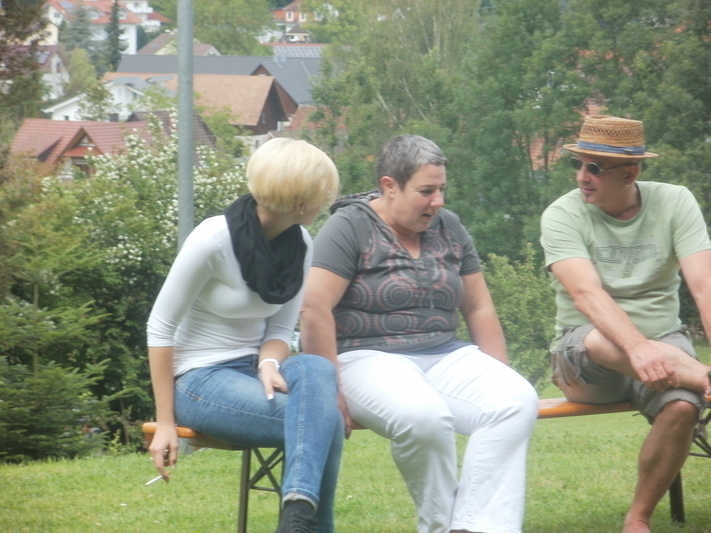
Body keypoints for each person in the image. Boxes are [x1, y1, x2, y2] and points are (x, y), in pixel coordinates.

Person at [300, 134, 539, 533]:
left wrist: (500, 372)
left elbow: (479, 306)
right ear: (389, 186)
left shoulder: (449, 226)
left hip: (445, 353)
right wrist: (330, 388)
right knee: (423, 417)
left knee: (516, 400)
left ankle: (476, 527)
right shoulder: (350, 226)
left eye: (442, 189)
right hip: (366, 356)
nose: (438, 201)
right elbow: (313, 307)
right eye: (427, 191)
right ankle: (441, 526)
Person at [146, 137, 343, 533]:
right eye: (323, 195)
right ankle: (306, 524)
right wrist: (165, 422)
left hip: (256, 370)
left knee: (317, 369)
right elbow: (160, 326)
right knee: (325, 420)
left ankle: (297, 515)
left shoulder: (301, 245)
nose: (327, 202)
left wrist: (269, 362)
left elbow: (281, 329)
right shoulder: (214, 239)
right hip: (199, 380)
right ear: (300, 202)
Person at [540, 115, 711, 533]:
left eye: (595, 168)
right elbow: (586, 295)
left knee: (683, 406)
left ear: (630, 173)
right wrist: (638, 349)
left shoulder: (675, 202)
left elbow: (704, 286)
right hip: (586, 360)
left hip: (663, 346)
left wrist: (651, 350)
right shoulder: (561, 214)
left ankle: (638, 518)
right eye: (579, 164)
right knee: (598, 340)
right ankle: (702, 375)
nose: (582, 177)